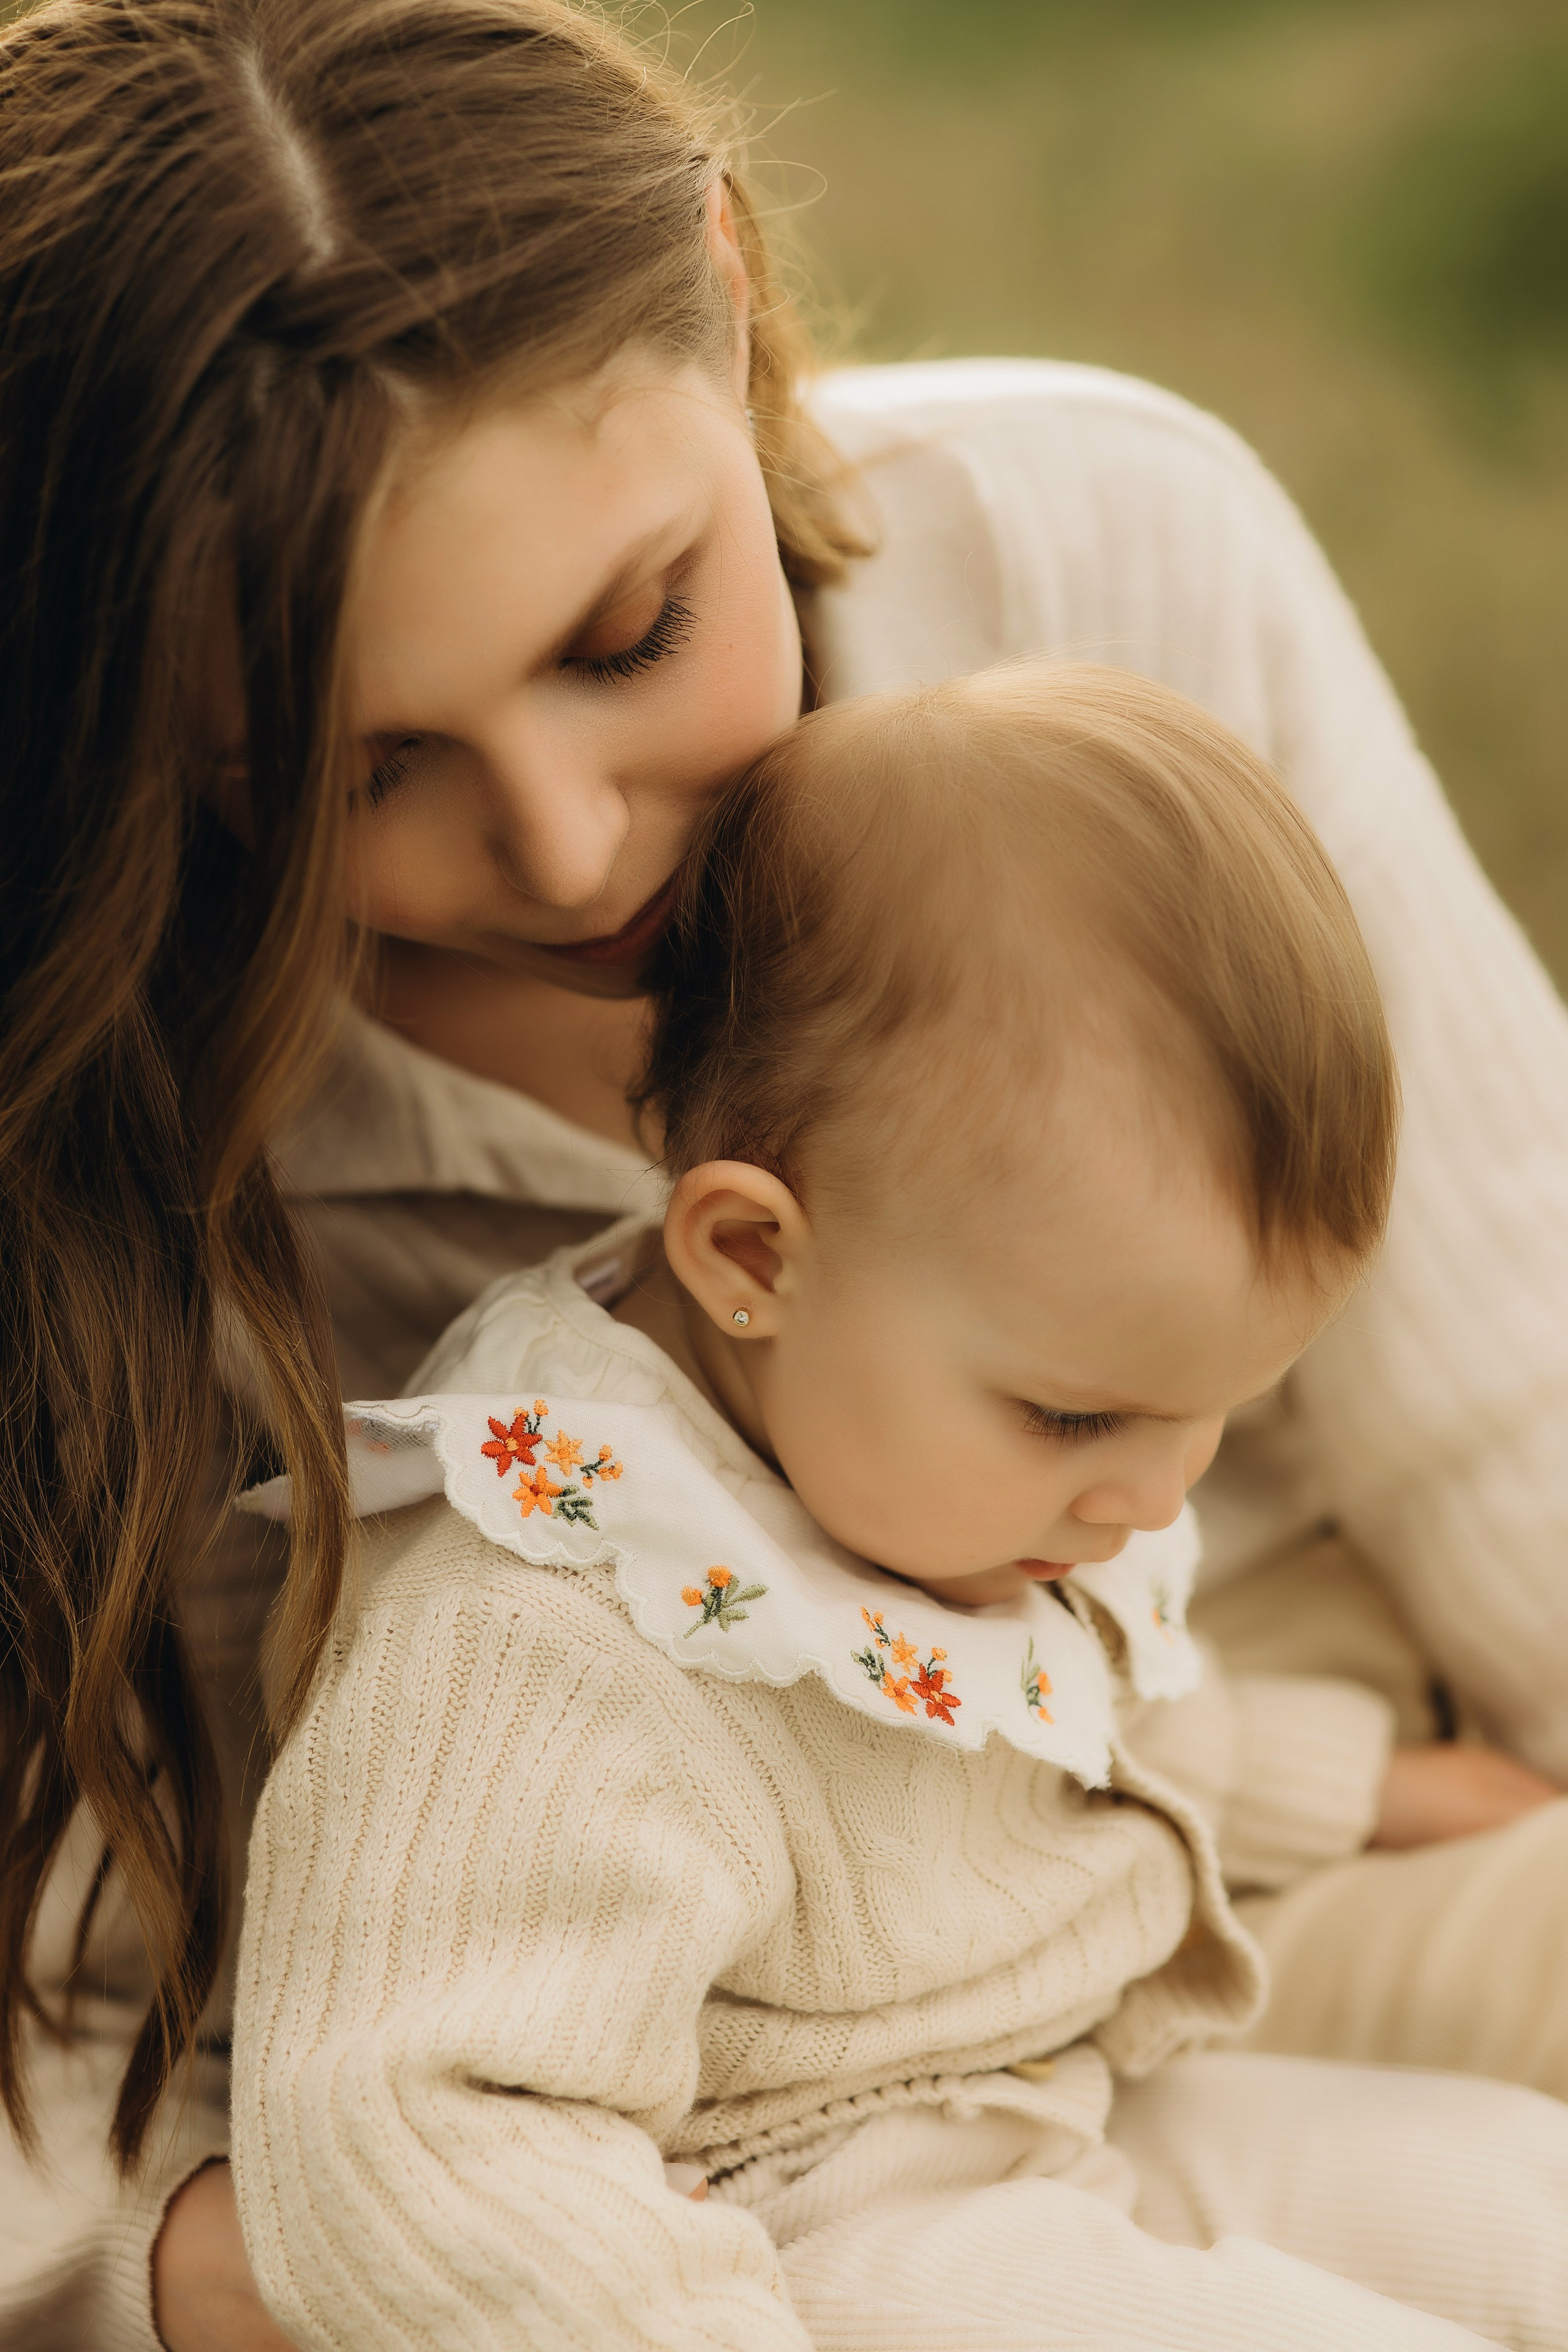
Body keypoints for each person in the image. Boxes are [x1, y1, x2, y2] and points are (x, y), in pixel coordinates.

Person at [2, 0, 1566, 2345]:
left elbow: (1510, 1410)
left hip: (1127, 1834)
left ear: (726, 292)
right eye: (360, 773)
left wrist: (1349, 1780)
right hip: (594, 2141)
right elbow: (278, 2095)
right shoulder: (500, 1601)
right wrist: (215, 2282)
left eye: (631, 633)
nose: (560, 844)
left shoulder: (1088, 539)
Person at [232, 665, 1568, 2351]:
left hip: (1048, 2106)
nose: (1156, 1491)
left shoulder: (926, 1443)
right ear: (753, 1257)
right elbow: (414, 2139)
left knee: (1533, 2207)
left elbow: (1031, 1740)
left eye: (1217, 1406)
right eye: (1082, 1411)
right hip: (807, 2239)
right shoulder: (535, 1635)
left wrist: (1339, 1779)